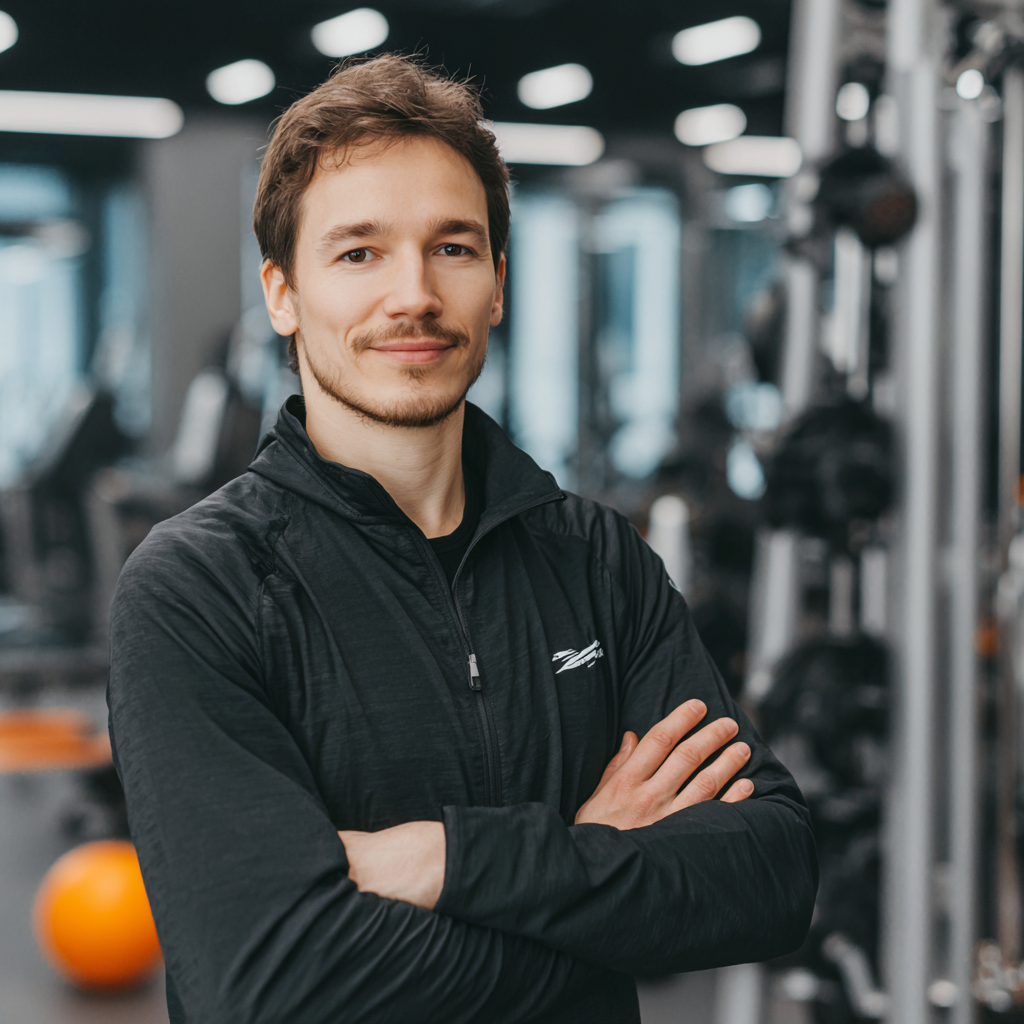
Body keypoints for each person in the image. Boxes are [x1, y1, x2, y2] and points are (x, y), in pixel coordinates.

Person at [107, 54, 816, 1024]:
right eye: (358, 254)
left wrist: (445, 859)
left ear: (497, 284)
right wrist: (594, 865)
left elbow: (771, 876)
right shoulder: (197, 588)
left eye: (452, 247)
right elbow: (268, 987)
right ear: (281, 293)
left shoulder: (597, 560)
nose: (414, 295)